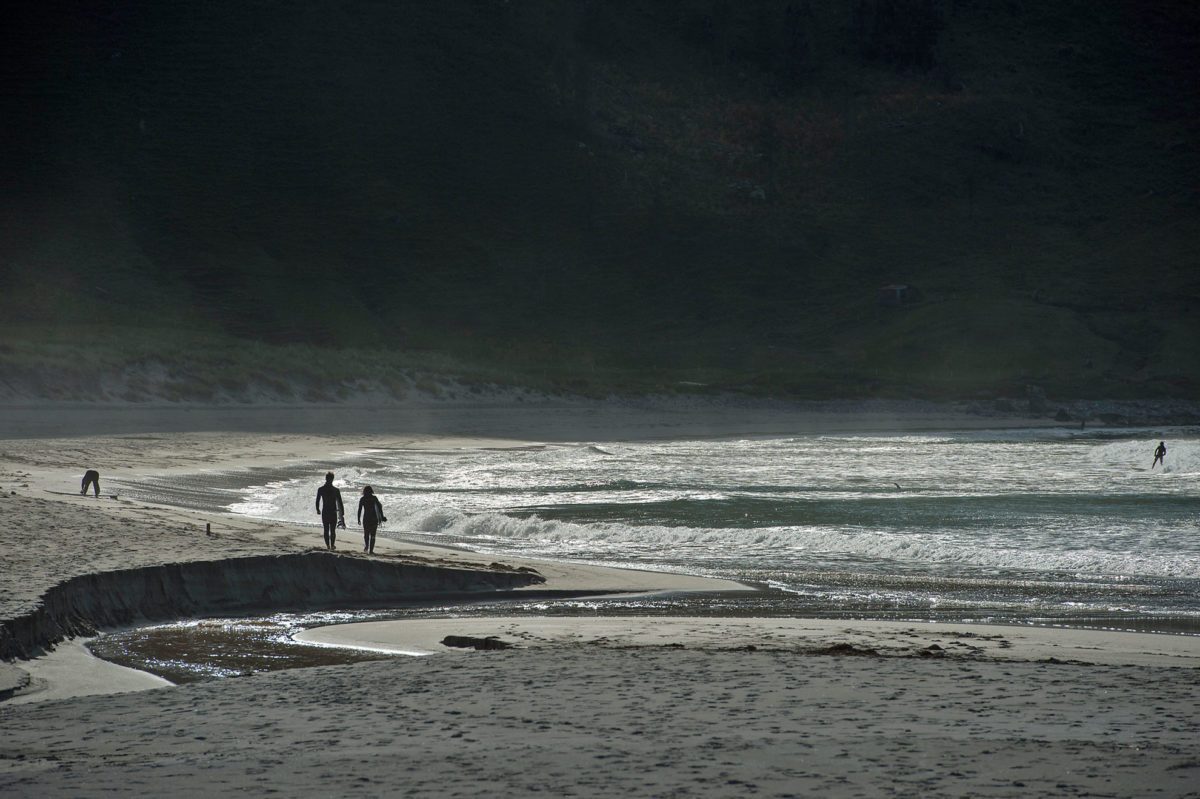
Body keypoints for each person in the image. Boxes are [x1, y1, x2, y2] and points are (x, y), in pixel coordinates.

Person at [315, 472, 345, 550]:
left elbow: (317, 501)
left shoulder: (321, 489)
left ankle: (328, 546)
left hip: (325, 512)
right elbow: (340, 502)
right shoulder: (336, 490)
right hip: (333, 512)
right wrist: (342, 513)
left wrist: (317, 509)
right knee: (332, 530)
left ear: (326, 478)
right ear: (332, 479)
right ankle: (332, 545)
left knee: (326, 529)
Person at [357, 486, 387, 554]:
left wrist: (382, 517)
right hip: (370, 519)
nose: (368, 493)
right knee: (368, 535)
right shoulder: (367, 499)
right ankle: (368, 547)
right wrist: (358, 519)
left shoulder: (368, 498)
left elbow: (379, 508)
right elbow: (360, 509)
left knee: (370, 535)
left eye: (368, 492)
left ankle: (370, 549)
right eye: (367, 492)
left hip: (370, 519)